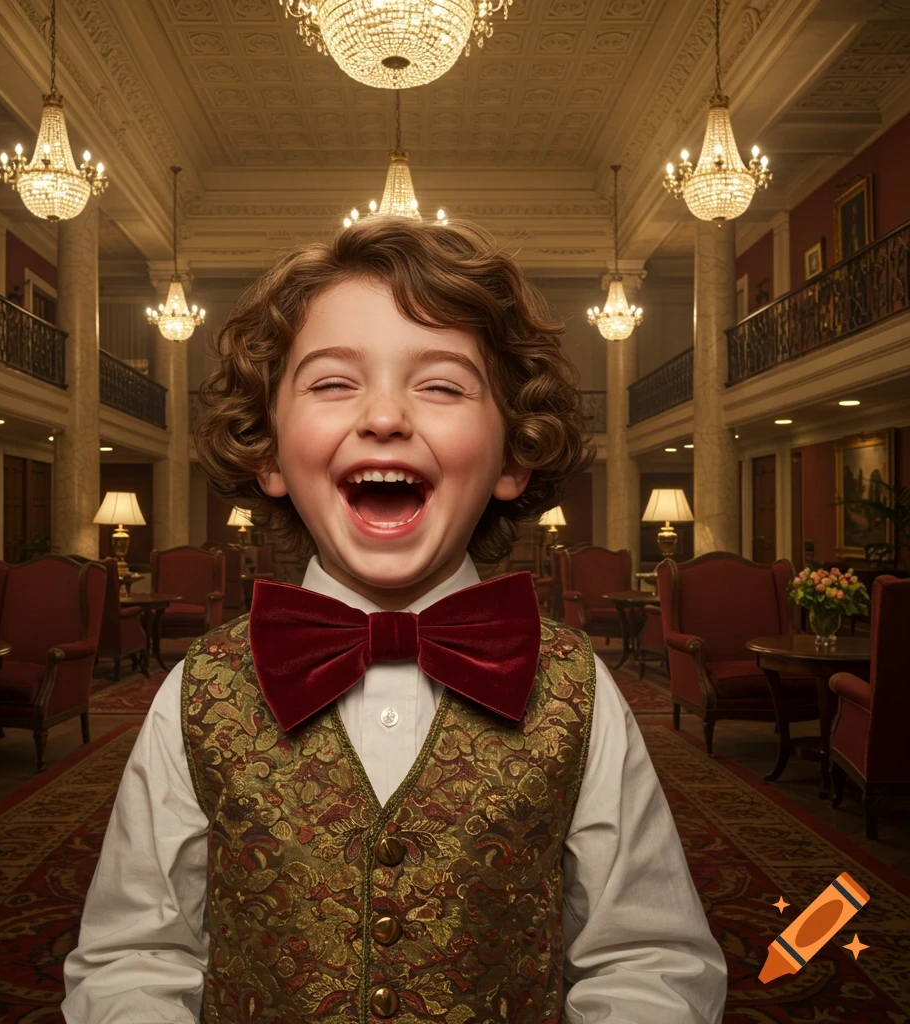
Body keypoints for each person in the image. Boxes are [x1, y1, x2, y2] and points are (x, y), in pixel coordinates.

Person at [62, 217, 727, 1023]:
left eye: (441, 385)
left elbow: (649, 960)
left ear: (514, 455)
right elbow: (134, 956)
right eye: (333, 383)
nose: (383, 416)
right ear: (269, 451)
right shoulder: (192, 693)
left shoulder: (579, 692)